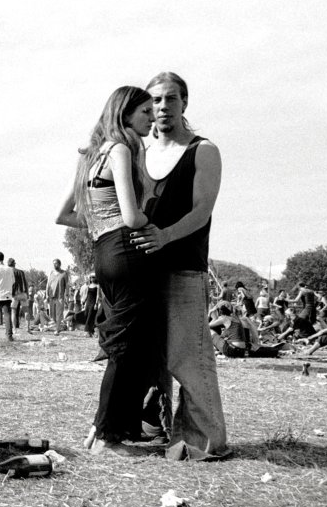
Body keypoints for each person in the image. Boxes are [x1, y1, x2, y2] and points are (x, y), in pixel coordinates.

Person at [129, 72, 231, 461]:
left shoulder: (203, 151)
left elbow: (202, 210)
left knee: (188, 357)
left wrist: (166, 236)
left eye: (170, 98)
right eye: (154, 100)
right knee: (148, 357)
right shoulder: (138, 152)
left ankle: (204, 439)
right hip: (142, 271)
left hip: (184, 268)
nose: (162, 107)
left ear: (184, 102)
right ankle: (153, 427)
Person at [57, 85, 156, 455]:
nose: (152, 119)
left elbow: (64, 215)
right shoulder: (121, 149)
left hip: (103, 252)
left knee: (124, 345)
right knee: (127, 349)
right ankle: (105, 435)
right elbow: (131, 216)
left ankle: (111, 428)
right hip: (127, 250)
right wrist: (154, 222)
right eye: (145, 112)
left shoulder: (90, 155)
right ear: (125, 113)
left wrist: (101, 221)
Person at [46, 259, 70, 334]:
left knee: (59, 313)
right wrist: (46, 294)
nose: (54, 265)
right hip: (51, 296)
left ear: (59, 264)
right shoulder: (51, 273)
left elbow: (67, 285)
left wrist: (67, 295)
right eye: (53, 263)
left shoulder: (64, 273)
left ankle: (57, 329)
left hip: (60, 296)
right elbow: (48, 284)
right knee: (52, 315)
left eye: (56, 263)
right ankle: (57, 326)